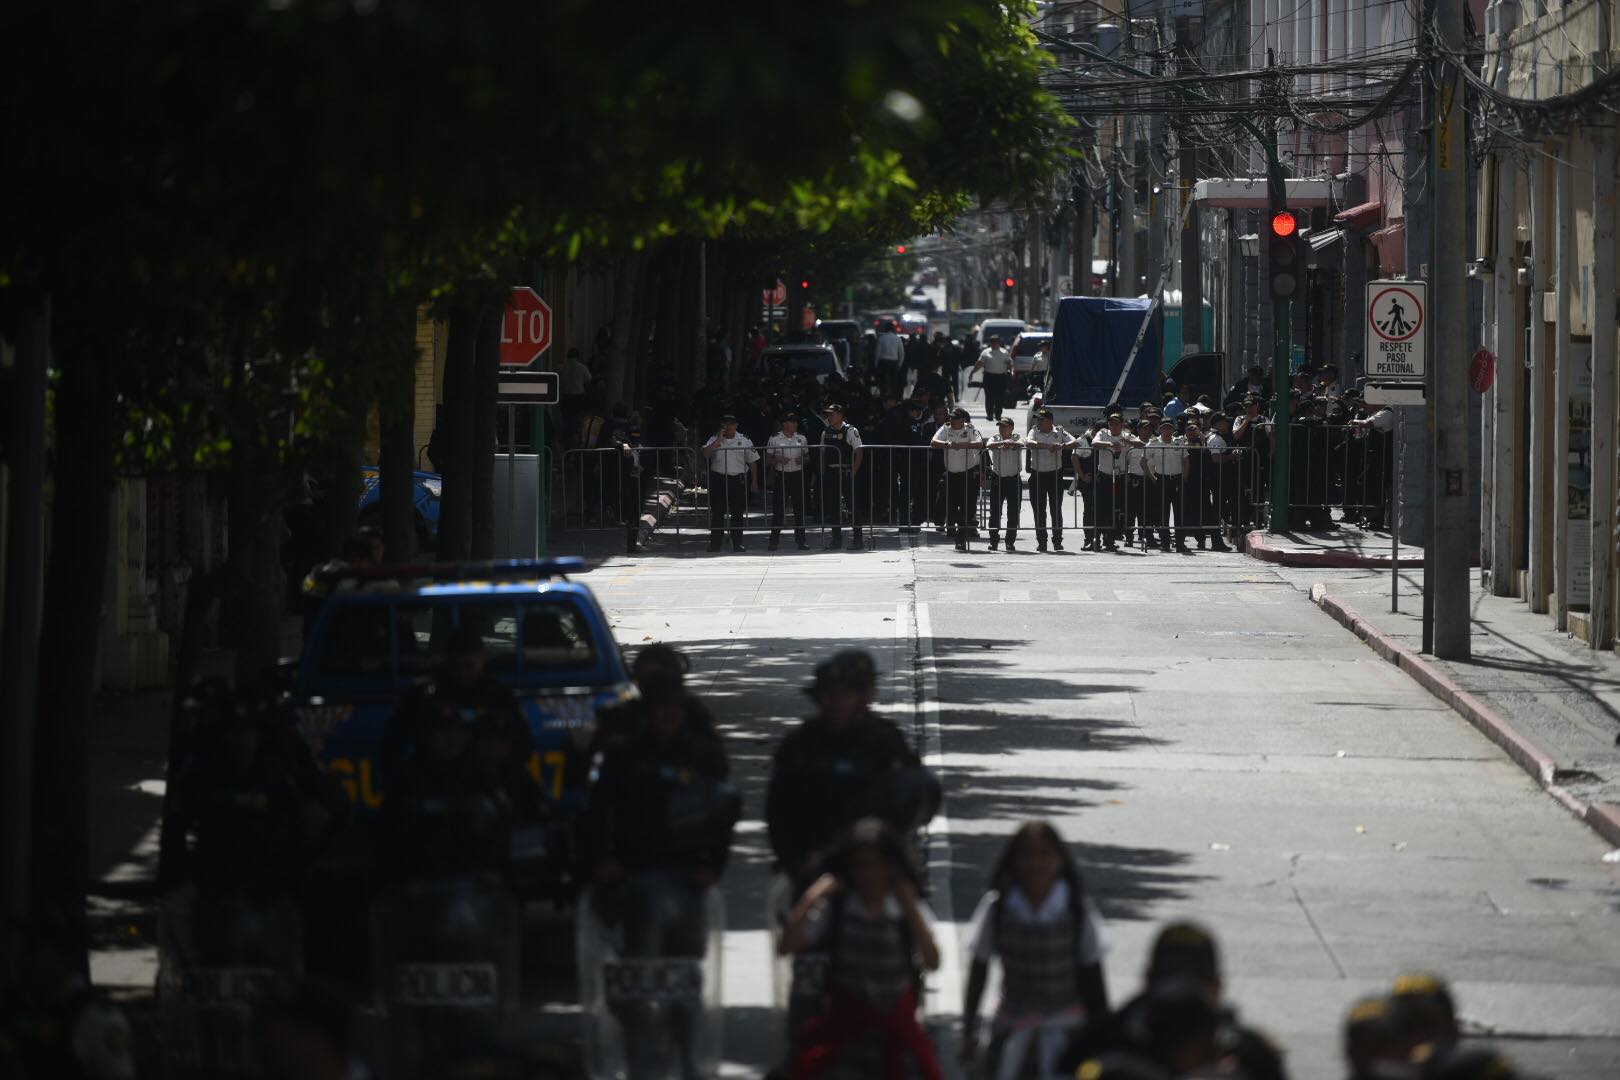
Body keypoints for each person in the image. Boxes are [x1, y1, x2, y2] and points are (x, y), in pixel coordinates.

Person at [583, 670, 741, 1079]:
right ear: (648, 712)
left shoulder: (701, 755)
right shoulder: (623, 756)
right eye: (660, 709)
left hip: (687, 883)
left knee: (683, 983)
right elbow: (596, 815)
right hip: (634, 883)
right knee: (635, 985)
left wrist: (712, 866)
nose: (667, 716)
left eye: (675, 709)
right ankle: (640, 1062)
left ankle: (689, 1060)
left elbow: (722, 815)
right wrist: (601, 861)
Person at [779, 819, 942, 1080]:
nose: (870, 876)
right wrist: (814, 896)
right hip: (846, 1033)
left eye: (877, 866)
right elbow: (786, 946)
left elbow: (933, 959)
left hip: (895, 1032)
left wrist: (911, 905)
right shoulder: (840, 907)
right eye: (861, 867)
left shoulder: (901, 909)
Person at [765, 652, 931, 894]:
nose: (837, 702)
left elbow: (915, 793)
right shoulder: (800, 744)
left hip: (876, 860)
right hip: (816, 860)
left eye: (845, 694)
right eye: (830, 695)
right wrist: (797, 859)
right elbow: (779, 808)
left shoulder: (884, 739)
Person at [961, 822, 1109, 1080]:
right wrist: (968, 1030)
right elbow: (979, 968)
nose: (1036, 863)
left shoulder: (1076, 911)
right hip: (1011, 1028)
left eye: (1045, 854)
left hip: (1066, 1033)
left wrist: (1104, 1039)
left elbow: (1093, 979)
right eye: (1027, 854)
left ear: (1060, 860)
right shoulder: (999, 908)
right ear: (1015, 860)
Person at [2, 914, 136, 1080]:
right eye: (24, 950)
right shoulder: (19, 1007)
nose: (23, 959)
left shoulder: (98, 1018)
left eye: (35, 950)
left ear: (65, 957)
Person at [300, 533, 378, 639]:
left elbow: (306, 590)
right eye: (368, 562)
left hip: (311, 642)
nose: (368, 567)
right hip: (336, 645)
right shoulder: (349, 581)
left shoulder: (313, 574)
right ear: (357, 559)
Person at [703, 413, 760, 552]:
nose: (728, 427)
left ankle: (737, 543)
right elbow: (705, 454)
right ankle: (715, 543)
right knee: (717, 512)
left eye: (731, 424)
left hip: (737, 479)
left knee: (737, 512)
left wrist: (754, 481)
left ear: (736, 425)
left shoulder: (744, 440)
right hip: (719, 479)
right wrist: (717, 441)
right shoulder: (714, 439)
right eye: (725, 424)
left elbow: (752, 461)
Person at [932, 407, 985, 552]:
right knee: (949, 504)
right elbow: (934, 441)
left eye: (955, 418)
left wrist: (961, 445)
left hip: (967, 474)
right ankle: (953, 529)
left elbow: (979, 444)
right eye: (951, 417)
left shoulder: (970, 429)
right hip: (951, 473)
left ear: (962, 420)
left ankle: (960, 539)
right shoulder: (946, 428)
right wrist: (947, 445)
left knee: (967, 508)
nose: (952, 420)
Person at [1088, 413, 1142, 551]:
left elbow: (1141, 444)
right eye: (1111, 423)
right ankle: (1096, 538)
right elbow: (1094, 443)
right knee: (1100, 509)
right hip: (1104, 476)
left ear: (1122, 424)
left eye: (1117, 423)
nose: (1114, 426)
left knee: (1115, 510)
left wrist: (1128, 442)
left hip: (1120, 477)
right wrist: (1110, 444)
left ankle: (1110, 539)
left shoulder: (1126, 435)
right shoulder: (1103, 433)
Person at [1024, 409, 1075, 553]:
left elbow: (1075, 442)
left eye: (1041, 420)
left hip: (1054, 475)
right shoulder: (1034, 431)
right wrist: (1046, 446)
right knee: (1039, 510)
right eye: (1038, 419)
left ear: (1050, 421)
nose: (1038, 422)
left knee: (1055, 510)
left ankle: (1057, 541)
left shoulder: (1059, 432)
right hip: (1037, 475)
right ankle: (1042, 542)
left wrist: (1062, 446)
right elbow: (1028, 442)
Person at [818, 404, 866, 550]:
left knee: (853, 506)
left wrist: (854, 472)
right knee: (833, 507)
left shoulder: (851, 431)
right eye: (828, 414)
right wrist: (822, 474)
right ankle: (836, 540)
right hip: (831, 473)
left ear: (840, 415)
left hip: (846, 472)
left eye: (832, 414)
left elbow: (859, 452)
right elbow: (822, 453)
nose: (829, 417)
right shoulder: (825, 432)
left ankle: (858, 540)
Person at [765, 414, 812, 551]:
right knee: (778, 510)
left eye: (796, 422)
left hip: (798, 476)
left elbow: (807, 456)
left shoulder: (801, 438)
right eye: (792, 422)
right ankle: (773, 541)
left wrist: (803, 460)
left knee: (800, 510)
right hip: (782, 477)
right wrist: (778, 459)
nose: (795, 424)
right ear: (785, 424)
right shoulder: (774, 438)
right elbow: (767, 459)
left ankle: (801, 541)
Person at [1142, 418, 1189, 553]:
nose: (1167, 431)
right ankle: (1165, 543)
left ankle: (1180, 543)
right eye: (1164, 428)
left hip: (1177, 479)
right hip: (1162, 479)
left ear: (1173, 430)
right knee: (1162, 514)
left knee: (1180, 513)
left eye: (1169, 428)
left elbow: (1186, 460)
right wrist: (1152, 477)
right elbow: (1143, 461)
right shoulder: (1154, 443)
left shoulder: (1178, 442)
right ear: (1160, 429)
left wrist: (1184, 478)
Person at [985, 418, 1024, 552]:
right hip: (998, 479)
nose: (1002, 429)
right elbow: (989, 445)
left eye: (1005, 426)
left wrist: (1011, 443)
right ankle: (994, 541)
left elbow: (1021, 444)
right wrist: (1003, 442)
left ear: (1011, 427)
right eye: (1000, 426)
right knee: (995, 512)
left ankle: (1010, 542)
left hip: (1013, 479)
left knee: (1013, 513)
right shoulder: (995, 438)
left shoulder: (1017, 437)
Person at [972, 335, 1015, 422]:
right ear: (990, 342)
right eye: (992, 341)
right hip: (989, 377)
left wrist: (1012, 371)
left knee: (1000, 397)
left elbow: (1009, 363)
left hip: (1001, 377)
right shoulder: (985, 352)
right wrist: (972, 372)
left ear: (999, 342)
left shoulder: (1004, 352)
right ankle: (990, 414)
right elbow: (979, 363)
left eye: (996, 341)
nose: (994, 343)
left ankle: (998, 415)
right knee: (989, 397)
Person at [560, 347, 593, 441]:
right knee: (577, 421)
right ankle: (576, 439)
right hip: (578, 397)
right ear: (578, 357)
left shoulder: (562, 368)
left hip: (566, 397)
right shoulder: (582, 367)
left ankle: (566, 439)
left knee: (567, 421)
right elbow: (589, 380)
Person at [874, 321, 906, 397]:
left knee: (882, 383)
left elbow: (877, 353)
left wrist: (876, 365)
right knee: (893, 383)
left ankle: (883, 396)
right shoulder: (897, 339)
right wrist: (899, 365)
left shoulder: (882, 338)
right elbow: (901, 353)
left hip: (883, 362)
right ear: (893, 329)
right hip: (893, 362)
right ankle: (893, 398)